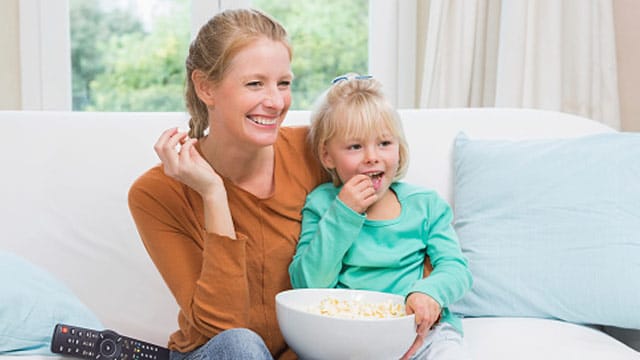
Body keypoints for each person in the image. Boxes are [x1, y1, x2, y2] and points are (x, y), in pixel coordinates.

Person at [128, 8, 327, 360]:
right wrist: (213, 194)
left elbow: (397, 219)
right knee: (241, 345)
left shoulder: (315, 152)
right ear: (206, 87)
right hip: (218, 352)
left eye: (284, 83)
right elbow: (223, 326)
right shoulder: (156, 193)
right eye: (255, 83)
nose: (276, 101)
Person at [288, 74, 473, 360]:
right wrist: (344, 212)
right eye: (355, 146)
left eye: (384, 143)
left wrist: (429, 293)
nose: (372, 157)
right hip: (349, 339)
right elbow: (308, 284)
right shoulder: (323, 204)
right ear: (327, 156)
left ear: (399, 148)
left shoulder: (425, 206)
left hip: (421, 333)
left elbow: (456, 268)